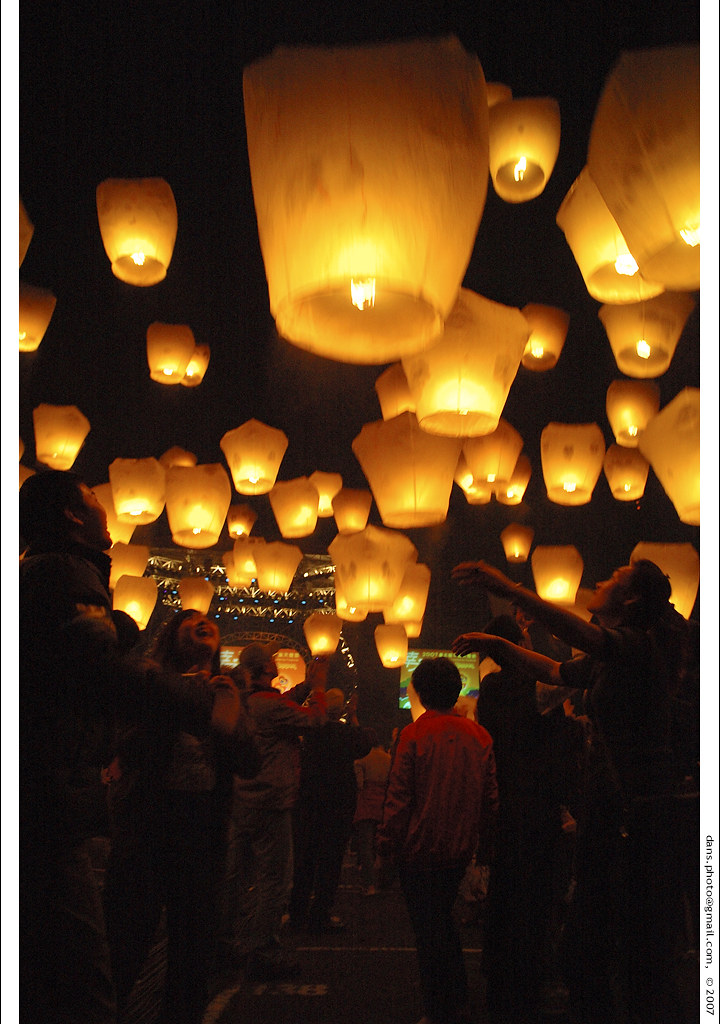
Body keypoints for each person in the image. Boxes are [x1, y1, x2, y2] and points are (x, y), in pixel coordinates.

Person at [452, 558, 692, 1024]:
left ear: (631, 600)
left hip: (635, 813)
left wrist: (508, 588)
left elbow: (581, 637)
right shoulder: (615, 654)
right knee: (601, 948)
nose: (601, 578)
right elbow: (555, 668)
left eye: (613, 577)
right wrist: (496, 642)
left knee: (621, 951)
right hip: (614, 810)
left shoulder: (636, 646)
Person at [102, 609, 258, 1024]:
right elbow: (127, 746)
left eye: (208, 619)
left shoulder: (227, 690)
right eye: (190, 620)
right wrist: (184, 698)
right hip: (149, 824)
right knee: (127, 938)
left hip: (203, 829)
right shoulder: (149, 679)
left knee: (193, 948)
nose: (202, 621)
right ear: (173, 636)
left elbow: (250, 761)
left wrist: (229, 715)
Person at [376, 657, 499, 1024]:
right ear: (458, 689)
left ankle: (441, 1006)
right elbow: (491, 798)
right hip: (460, 846)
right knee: (442, 923)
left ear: (418, 692)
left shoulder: (413, 735)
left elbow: (399, 796)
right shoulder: (480, 735)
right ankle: (456, 999)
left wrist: (386, 841)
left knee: (430, 932)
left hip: (419, 849)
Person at [223, 644, 329, 981]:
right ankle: (263, 948)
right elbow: (316, 720)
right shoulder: (270, 705)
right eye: (270, 660)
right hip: (271, 800)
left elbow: (284, 705)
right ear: (264, 669)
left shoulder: (246, 701)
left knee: (236, 875)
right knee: (275, 880)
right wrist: (320, 689)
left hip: (243, 797)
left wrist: (306, 686)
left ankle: (226, 941)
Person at [288, 688, 373, 931]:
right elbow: (364, 744)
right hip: (338, 805)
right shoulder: (347, 734)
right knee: (330, 862)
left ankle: (297, 912)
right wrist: (354, 716)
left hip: (310, 802)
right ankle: (320, 914)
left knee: (304, 859)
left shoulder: (311, 732)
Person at [352, 728, 392, 895]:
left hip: (366, 805)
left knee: (366, 846)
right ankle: (385, 880)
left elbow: (359, 784)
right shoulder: (389, 759)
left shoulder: (361, 760)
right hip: (383, 804)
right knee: (382, 843)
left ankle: (369, 884)